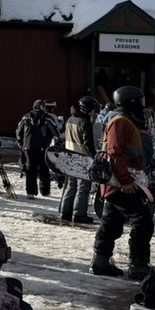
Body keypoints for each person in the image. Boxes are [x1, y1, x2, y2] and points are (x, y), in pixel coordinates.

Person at [91, 86, 154, 280]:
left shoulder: (126, 120)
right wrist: (125, 181)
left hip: (121, 181)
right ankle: (138, 265)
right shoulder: (120, 121)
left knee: (112, 222)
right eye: (140, 102)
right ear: (130, 102)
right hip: (121, 182)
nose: (143, 106)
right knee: (143, 222)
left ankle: (100, 261)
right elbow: (115, 153)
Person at [59, 96, 100, 224]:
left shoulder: (70, 119)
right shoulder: (85, 122)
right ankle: (79, 214)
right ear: (88, 109)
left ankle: (65, 212)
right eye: (94, 109)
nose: (95, 112)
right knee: (83, 187)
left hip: (70, 155)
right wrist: (94, 157)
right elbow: (88, 143)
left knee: (71, 185)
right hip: (82, 158)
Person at [16, 99, 56, 199]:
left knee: (30, 169)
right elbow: (55, 132)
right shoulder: (47, 118)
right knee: (44, 168)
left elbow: (19, 131)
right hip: (43, 147)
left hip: (28, 146)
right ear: (42, 107)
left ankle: (31, 192)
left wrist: (21, 143)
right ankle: (45, 191)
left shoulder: (26, 117)